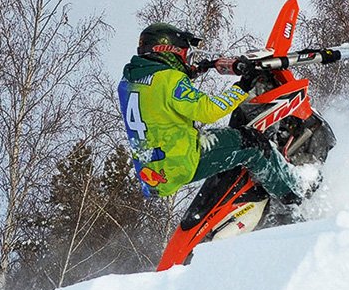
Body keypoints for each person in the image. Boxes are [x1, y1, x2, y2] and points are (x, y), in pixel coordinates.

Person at [116, 22, 303, 204]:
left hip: (152, 172)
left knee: (230, 139)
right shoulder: (169, 80)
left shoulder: (129, 81)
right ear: (167, 50)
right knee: (253, 143)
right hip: (179, 163)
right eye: (182, 54)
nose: (184, 58)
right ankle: (292, 196)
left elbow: (161, 96)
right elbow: (209, 111)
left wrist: (196, 70)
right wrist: (243, 85)